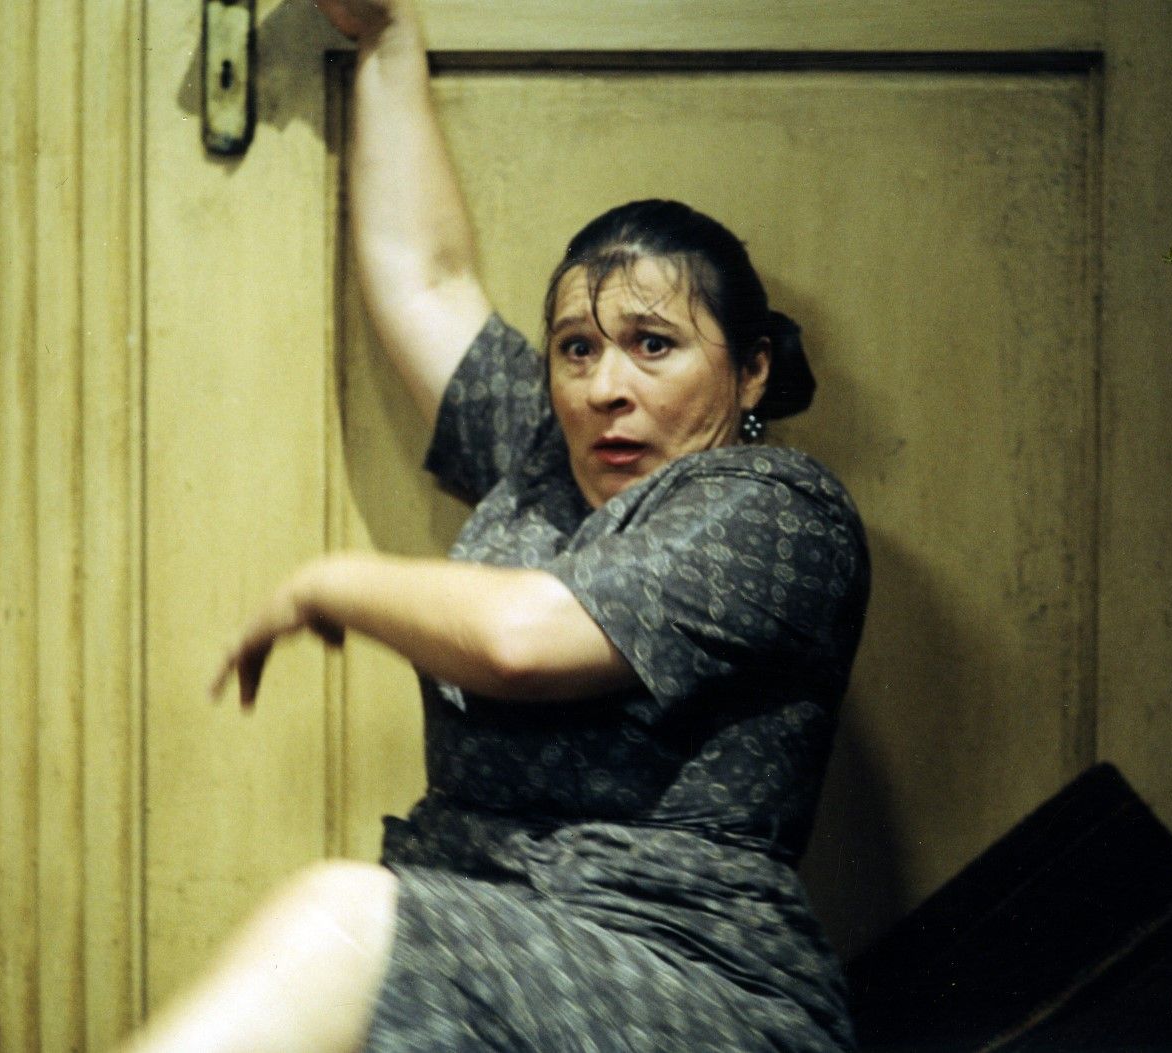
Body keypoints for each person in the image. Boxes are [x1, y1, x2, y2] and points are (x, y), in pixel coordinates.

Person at [124, 0, 870, 1050]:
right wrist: (384, 35)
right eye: (576, 348)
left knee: (340, 923)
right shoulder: (547, 453)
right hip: (498, 939)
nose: (605, 387)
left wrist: (327, 581)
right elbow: (422, 277)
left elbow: (520, 639)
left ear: (749, 370)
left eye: (654, 345)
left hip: (693, 985)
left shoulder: (782, 513)